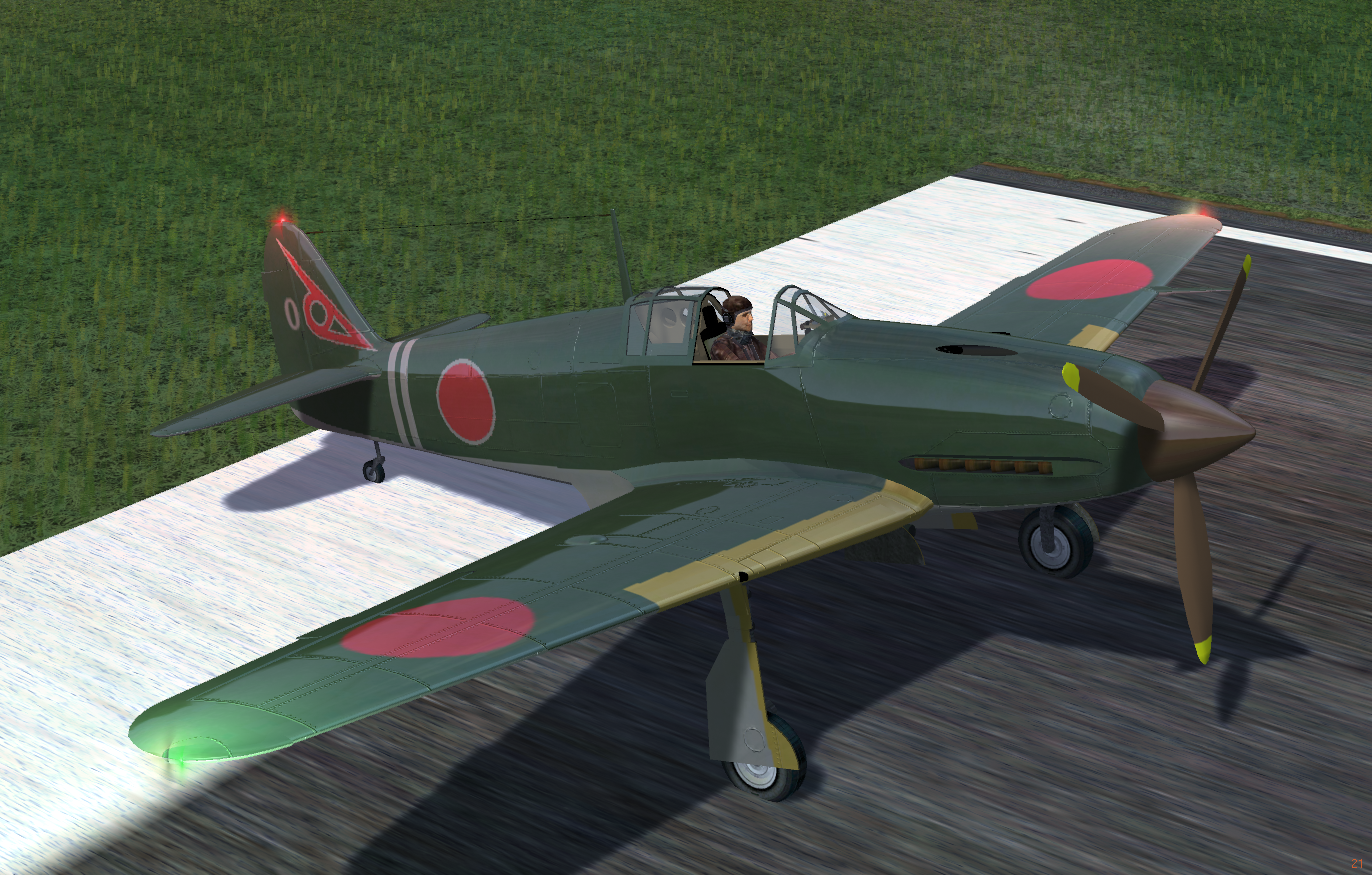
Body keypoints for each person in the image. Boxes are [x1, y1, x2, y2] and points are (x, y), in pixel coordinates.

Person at [711, 296, 763, 361]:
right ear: (729, 319)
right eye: (745, 315)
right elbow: (739, 367)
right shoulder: (721, 345)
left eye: (750, 314)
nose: (751, 318)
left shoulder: (751, 340)